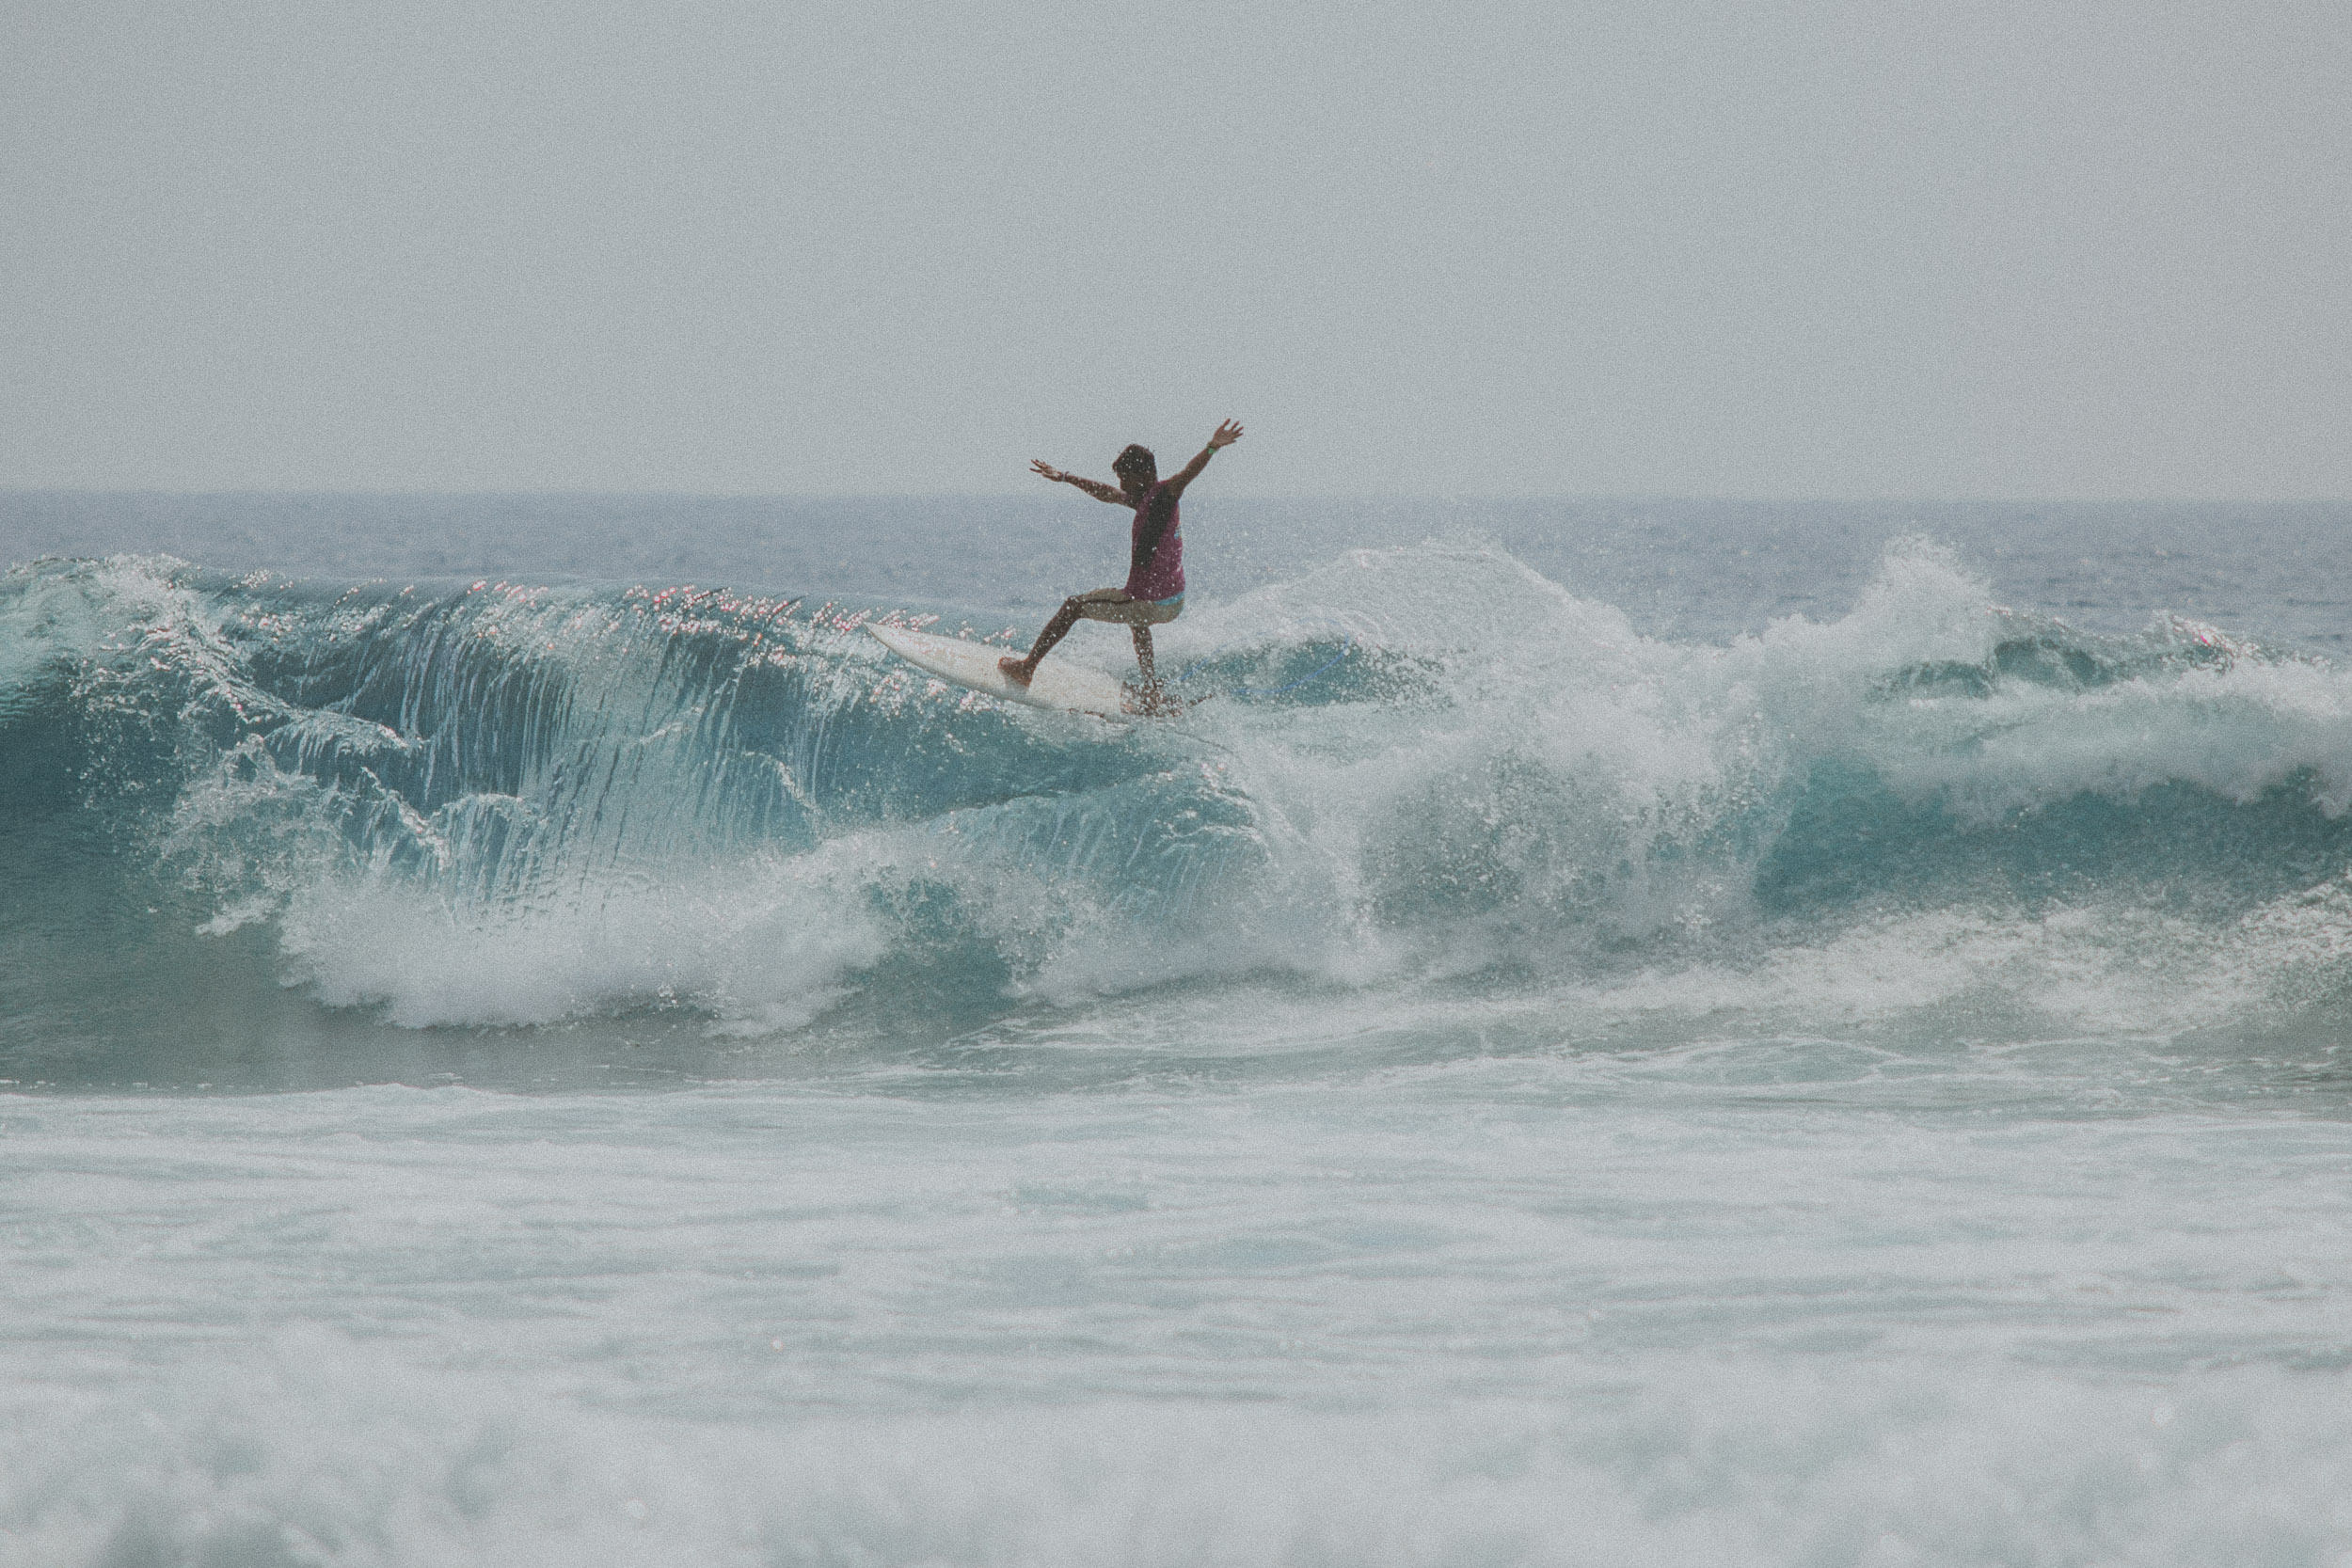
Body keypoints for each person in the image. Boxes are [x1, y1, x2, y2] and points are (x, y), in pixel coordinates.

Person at [999, 420, 1244, 711]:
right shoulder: (1145, 500)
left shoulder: (1165, 494)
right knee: (1137, 623)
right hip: (1172, 601)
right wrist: (1065, 477)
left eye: (1127, 479)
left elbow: (1187, 474)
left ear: (1146, 474)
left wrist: (1212, 447)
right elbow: (1107, 493)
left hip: (1151, 602)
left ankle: (1027, 668)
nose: (1122, 486)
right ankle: (1152, 690)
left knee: (1072, 606)